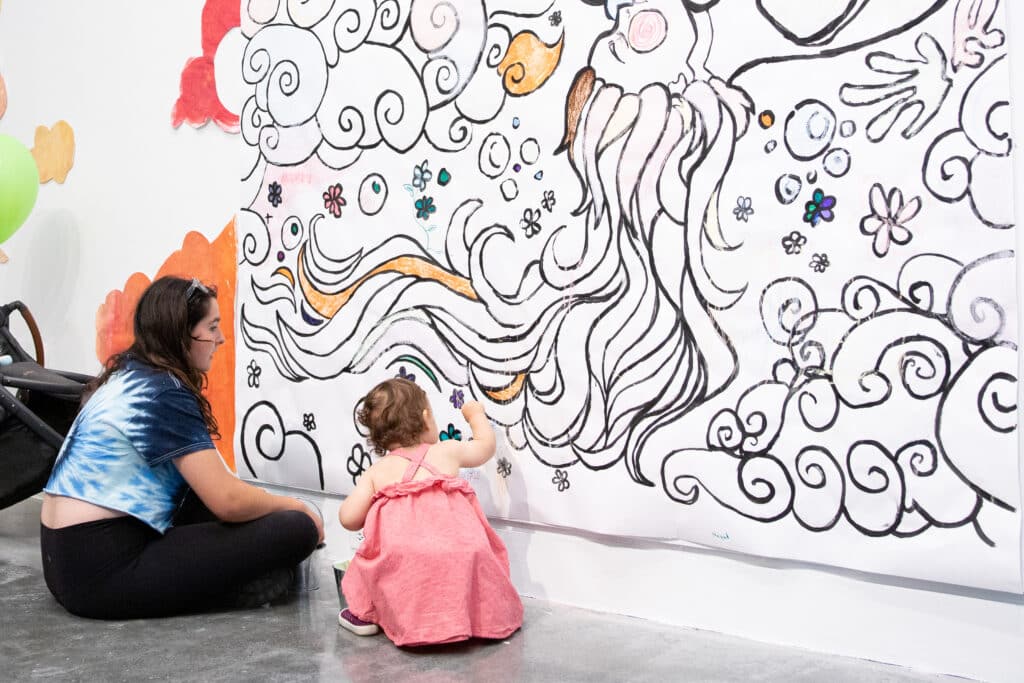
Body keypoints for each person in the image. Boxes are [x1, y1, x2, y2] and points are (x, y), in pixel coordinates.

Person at [40, 275, 323, 619]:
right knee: (297, 528)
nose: (220, 339)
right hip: (102, 573)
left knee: (207, 497)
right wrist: (294, 506)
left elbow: (211, 490)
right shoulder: (164, 392)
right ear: (181, 333)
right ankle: (234, 584)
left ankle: (236, 576)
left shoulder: (129, 374)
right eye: (212, 327)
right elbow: (228, 502)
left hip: (64, 561)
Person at [338, 377, 523, 645]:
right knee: (472, 556)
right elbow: (485, 447)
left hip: (405, 562)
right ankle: (477, 616)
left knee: (370, 562)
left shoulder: (378, 470)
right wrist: (475, 415)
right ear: (426, 419)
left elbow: (348, 518)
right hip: (464, 553)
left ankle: (368, 615)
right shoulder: (447, 451)